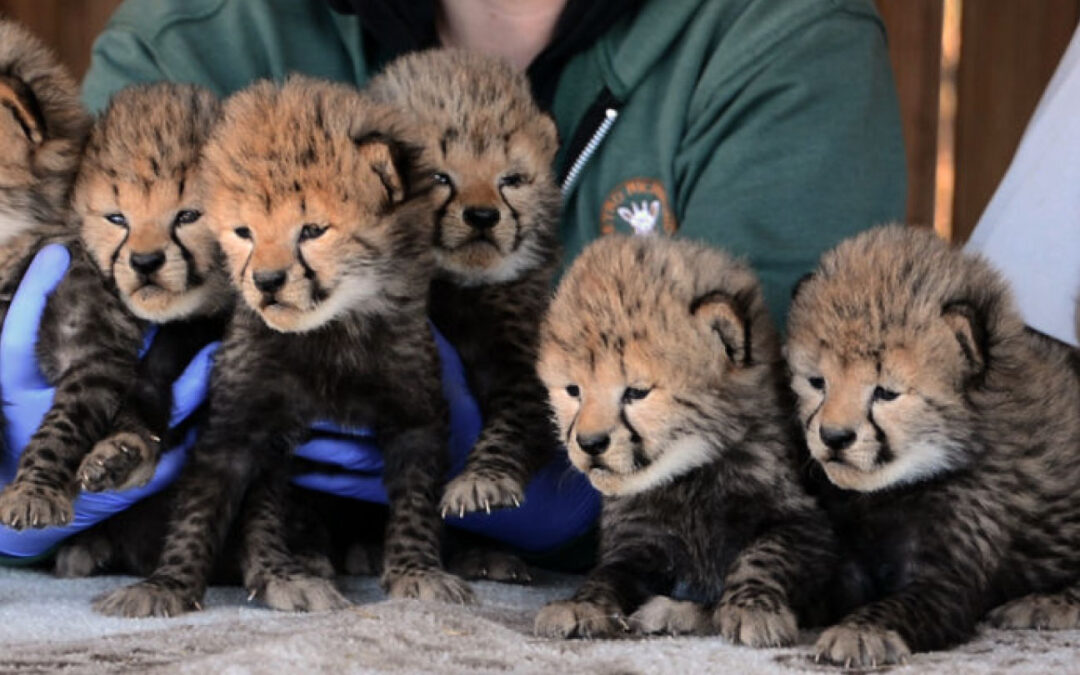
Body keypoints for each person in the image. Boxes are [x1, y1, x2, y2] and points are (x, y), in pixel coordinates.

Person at [0, 0, 906, 563]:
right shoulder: (200, 29)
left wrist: (568, 498)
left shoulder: (782, 33)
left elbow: (815, 450)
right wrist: (37, 449)